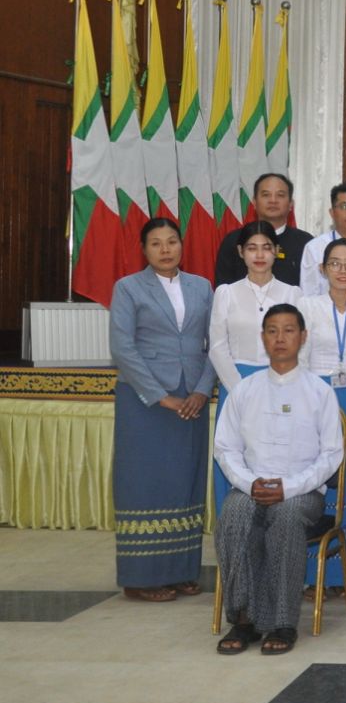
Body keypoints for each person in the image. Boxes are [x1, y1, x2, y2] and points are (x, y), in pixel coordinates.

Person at [213, 304, 344, 656]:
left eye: (289, 330)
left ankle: (283, 623)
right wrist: (249, 483)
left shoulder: (319, 392)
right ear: (262, 338)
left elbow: (331, 455)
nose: (280, 338)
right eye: (272, 331)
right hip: (250, 487)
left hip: (303, 492)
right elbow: (225, 449)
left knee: (285, 517)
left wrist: (289, 487)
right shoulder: (245, 390)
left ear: (303, 337)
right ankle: (244, 618)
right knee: (235, 514)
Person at [108, 218, 215, 602]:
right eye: (156, 243)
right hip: (145, 402)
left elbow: (215, 344)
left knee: (184, 485)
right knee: (145, 486)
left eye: (172, 241)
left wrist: (201, 391)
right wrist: (160, 396)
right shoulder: (128, 288)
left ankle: (182, 571)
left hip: (191, 400)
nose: (165, 249)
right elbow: (122, 349)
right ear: (144, 249)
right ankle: (141, 578)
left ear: (182, 245)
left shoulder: (202, 287)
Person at [297, 238, 346, 596]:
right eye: (335, 263)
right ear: (323, 269)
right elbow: (299, 360)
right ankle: (311, 577)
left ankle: (341, 578)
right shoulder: (307, 306)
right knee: (314, 484)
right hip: (314, 400)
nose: (343, 270)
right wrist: (312, 409)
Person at [209, 220, 303, 417]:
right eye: (252, 248)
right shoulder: (226, 293)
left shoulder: (292, 294)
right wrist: (240, 390)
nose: (260, 255)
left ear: (276, 250)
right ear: (241, 251)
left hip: (281, 385)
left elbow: (300, 347)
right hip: (235, 385)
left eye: (266, 248)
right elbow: (217, 348)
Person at [213, 172, 313, 286]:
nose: (273, 200)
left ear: (291, 204)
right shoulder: (234, 240)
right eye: (266, 195)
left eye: (280, 195)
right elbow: (223, 288)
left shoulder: (306, 243)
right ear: (254, 202)